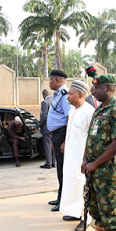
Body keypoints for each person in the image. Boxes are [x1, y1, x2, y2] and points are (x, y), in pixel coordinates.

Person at [80, 74, 116, 231]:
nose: (93, 91)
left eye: (96, 88)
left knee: (108, 208)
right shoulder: (99, 111)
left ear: (109, 88)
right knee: (94, 205)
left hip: (107, 171)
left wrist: (95, 163)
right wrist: (85, 159)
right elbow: (90, 137)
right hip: (92, 169)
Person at [59, 80, 95, 231]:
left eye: (71, 94)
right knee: (72, 184)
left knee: (82, 186)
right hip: (71, 156)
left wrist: (87, 159)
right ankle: (75, 212)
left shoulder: (89, 111)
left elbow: (92, 138)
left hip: (82, 158)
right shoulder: (73, 109)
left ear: (80, 95)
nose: (68, 96)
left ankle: (85, 218)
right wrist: (64, 143)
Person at [46, 70, 71, 212]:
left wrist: (65, 141)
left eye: (51, 80)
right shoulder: (57, 95)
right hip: (57, 135)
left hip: (62, 134)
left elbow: (69, 118)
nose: (49, 83)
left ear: (58, 80)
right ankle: (60, 197)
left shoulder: (65, 95)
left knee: (63, 170)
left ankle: (63, 201)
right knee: (59, 169)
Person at [37, 89, 56, 169]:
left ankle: (48, 163)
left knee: (47, 145)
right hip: (54, 127)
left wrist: (38, 124)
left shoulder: (44, 102)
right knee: (53, 145)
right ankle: (53, 163)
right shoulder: (54, 100)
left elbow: (43, 115)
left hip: (47, 127)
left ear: (43, 94)